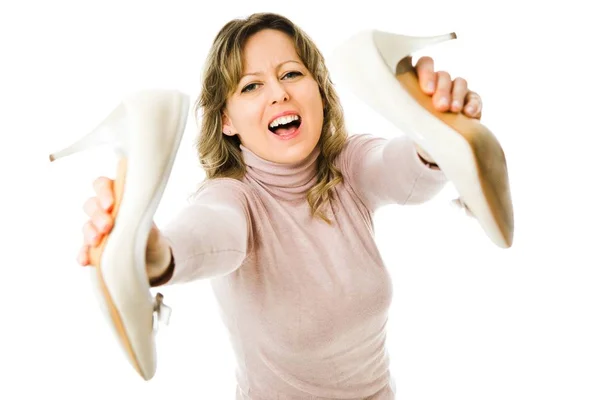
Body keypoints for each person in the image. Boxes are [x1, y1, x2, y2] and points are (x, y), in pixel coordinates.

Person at [77, 12, 483, 400]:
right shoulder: (232, 197)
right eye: (251, 86)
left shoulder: (349, 165)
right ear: (226, 122)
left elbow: (396, 170)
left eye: (291, 73)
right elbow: (212, 230)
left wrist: (433, 144)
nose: (279, 92)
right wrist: (156, 254)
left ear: (320, 93)